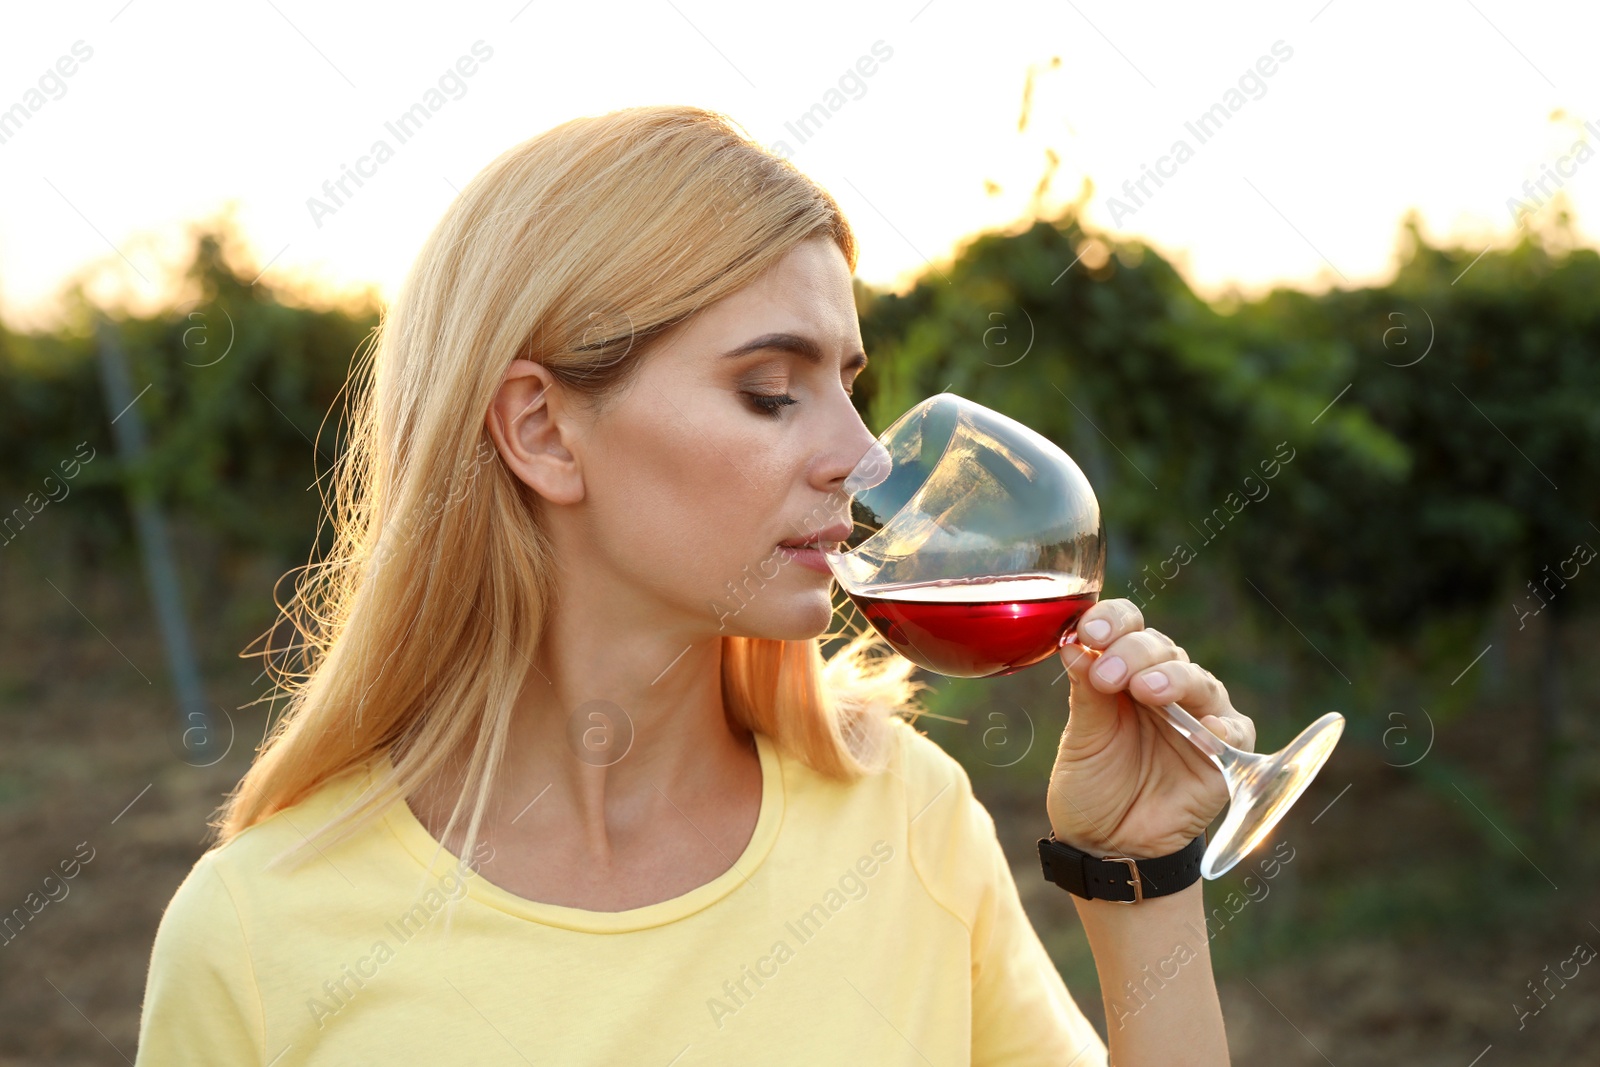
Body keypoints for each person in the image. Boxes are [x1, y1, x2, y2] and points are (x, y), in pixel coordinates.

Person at [135, 104, 1255, 1065]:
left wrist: (1140, 872)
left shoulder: (905, 816)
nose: (863, 457)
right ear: (542, 430)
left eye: (848, 385)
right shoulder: (257, 934)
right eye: (771, 390)